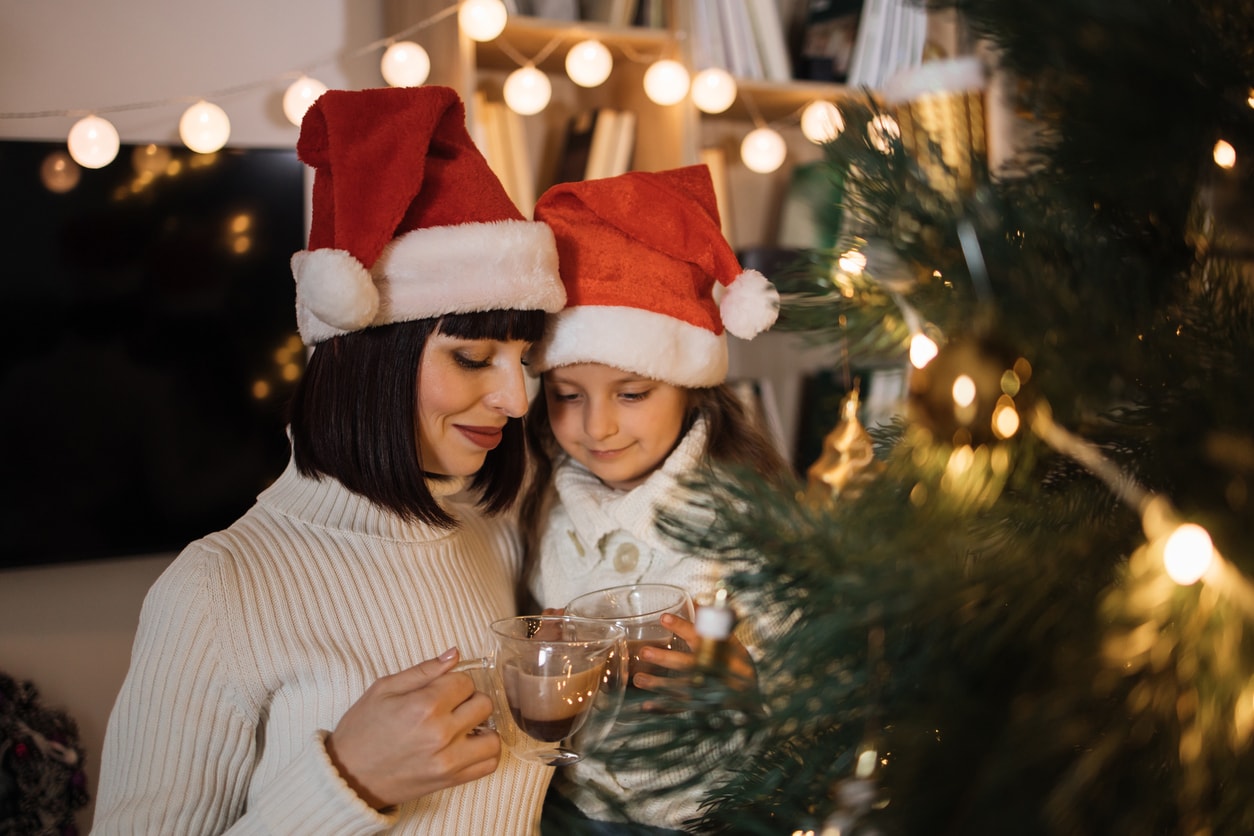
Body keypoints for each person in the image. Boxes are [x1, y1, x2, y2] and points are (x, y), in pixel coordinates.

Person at [92, 85, 567, 835]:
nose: (515, 398)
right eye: (474, 357)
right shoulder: (215, 591)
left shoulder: (492, 532)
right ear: (365, 353)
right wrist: (349, 782)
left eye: (523, 360)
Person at [519, 165, 796, 833]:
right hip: (575, 809)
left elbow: (815, 671)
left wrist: (747, 683)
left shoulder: (743, 516)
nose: (597, 427)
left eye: (632, 394)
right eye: (567, 395)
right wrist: (545, 667)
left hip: (710, 815)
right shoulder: (542, 506)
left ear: (689, 384)